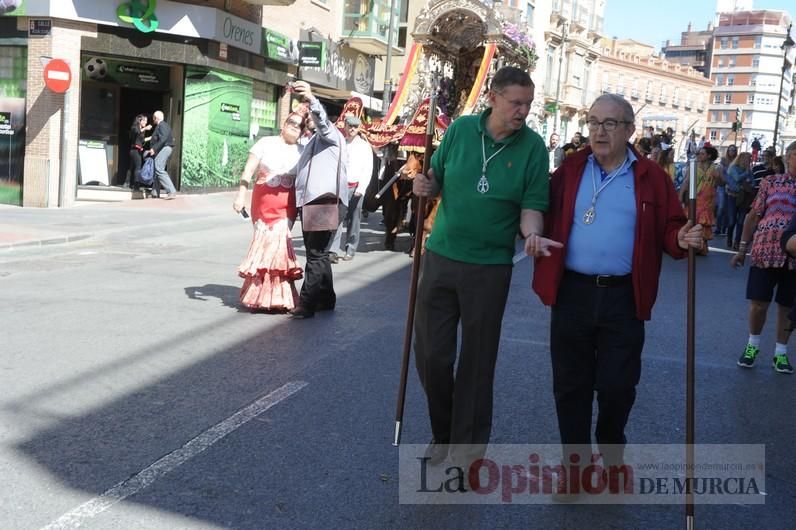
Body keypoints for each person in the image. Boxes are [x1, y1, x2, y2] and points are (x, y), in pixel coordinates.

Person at [532, 93, 703, 499]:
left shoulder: (651, 178)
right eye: (594, 122)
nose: (599, 130)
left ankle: (611, 454)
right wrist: (530, 233)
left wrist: (681, 237)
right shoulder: (570, 170)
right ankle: (574, 470)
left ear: (629, 130)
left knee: (617, 386)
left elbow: (671, 227)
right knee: (569, 387)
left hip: (624, 298)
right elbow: (533, 205)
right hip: (571, 292)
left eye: (610, 123)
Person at [412, 66, 555, 465]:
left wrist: (532, 234)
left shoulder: (533, 148)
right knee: (432, 355)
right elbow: (435, 179)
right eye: (515, 103)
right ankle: (443, 433)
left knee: (477, 363)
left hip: (490, 268)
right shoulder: (459, 131)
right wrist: (425, 185)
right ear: (493, 97)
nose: (522, 111)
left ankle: (467, 451)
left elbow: (532, 207)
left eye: (527, 104)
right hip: (441, 256)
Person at [731, 140, 796, 374]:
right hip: (765, 250)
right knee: (759, 304)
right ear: (788, 158)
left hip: (794, 257)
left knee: (787, 307)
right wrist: (741, 249)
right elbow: (753, 216)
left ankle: (781, 353)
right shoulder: (771, 182)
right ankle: (752, 346)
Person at [233, 112, 305, 312]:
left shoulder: (303, 150)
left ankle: (279, 297)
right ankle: (258, 296)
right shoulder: (265, 143)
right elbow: (248, 170)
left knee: (280, 246)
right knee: (264, 246)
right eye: (291, 122)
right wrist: (240, 196)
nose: (294, 127)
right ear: (283, 124)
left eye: (299, 126)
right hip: (263, 204)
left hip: (287, 205)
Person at [289, 81, 349, 319]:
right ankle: (326, 298)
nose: (309, 118)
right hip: (314, 203)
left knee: (314, 254)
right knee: (320, 253)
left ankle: (307, 304)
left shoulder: (331, 136)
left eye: (310, 116)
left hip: (325, 202)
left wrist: (312, 98)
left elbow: (323, 121)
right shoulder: (314, 141)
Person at [329, 115, 373, 262]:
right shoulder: (340, 143)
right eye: (350, 126)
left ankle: (350, 248)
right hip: (340, 187)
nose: (352, 129)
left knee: (354, 219)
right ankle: (333, 250)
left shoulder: (364, 146)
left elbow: (367, 169)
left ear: (359, 128)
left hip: (356, 188)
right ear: (345, 126)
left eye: (355, 126)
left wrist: (362, 188)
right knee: (337, 218)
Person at [680, 145, 721, 255]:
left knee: (704, 223)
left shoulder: (715, 168)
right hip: (695, 198)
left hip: (709, 200)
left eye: (702, 154)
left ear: (709, 156)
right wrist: (680, 197)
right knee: (693, 220)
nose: (699, 156)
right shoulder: (693, 166)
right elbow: (686, 181)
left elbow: (721, 182)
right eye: (698, 153)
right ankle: (693, 245)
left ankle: (702, 246)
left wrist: (719, 176)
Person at [725, 152, 754, 250]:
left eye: (749, 159)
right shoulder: (733, 168)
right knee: (732, 221)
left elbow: (753, 183)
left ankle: (737, 242)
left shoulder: (749, 171)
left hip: (744, 198)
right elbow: (737, 178)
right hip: (733, 197)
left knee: (741, 222)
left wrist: (747, 181)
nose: (748, 161)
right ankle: (729, 237)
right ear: (741, 159)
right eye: (746, 159)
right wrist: (746, 174)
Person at [147, 110, 177, 200]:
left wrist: (154, 148)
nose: (153, 119)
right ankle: (155, 192)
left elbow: (163, 138)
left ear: (156, 118)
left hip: (165, 148)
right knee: (158, 169)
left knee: (159, 168)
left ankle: (171, 191)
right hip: (163, 149)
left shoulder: (162, 125)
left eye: (153, 118)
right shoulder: (163, 125)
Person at [128, 114, 151, 190]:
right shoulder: (134, 128)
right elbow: (136, 132)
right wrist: (145, 128)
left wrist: (151, 137)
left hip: (138, 150)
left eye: (146, 121)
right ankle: (136, 185)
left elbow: (142, 140)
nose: (146, 122)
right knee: (138, 167)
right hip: (134, 150)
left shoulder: (141, 130)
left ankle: (129, 183)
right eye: (144, 120)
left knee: (133, 167)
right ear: (139, 120)